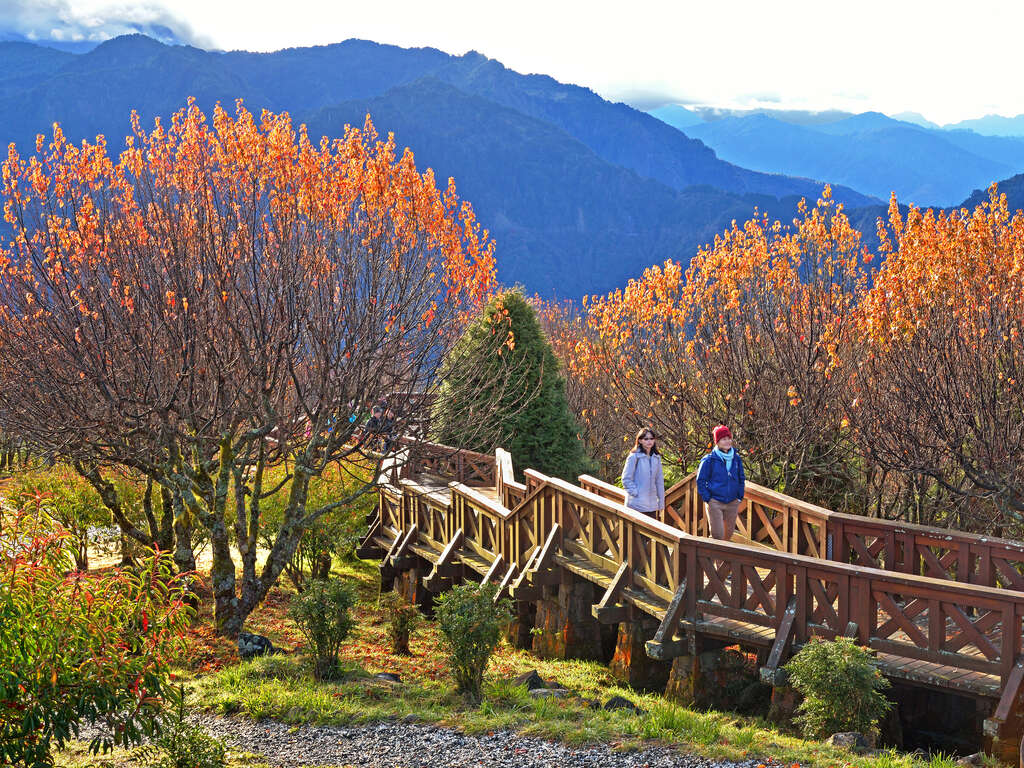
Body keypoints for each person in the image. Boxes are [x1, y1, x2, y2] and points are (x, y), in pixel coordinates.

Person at [696, 425, 745, 541]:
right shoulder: (709, 460)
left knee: (728, 535)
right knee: (717, 535)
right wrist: (708, 498)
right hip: (715, 501)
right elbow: (700, 480)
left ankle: (722, 560)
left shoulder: (736, 459)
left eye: (729, 438)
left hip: (732, 501)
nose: (727, 441)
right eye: (723, 439)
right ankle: (715, 559)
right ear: (717, 442)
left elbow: (741, 478)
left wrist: (739, 496)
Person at [621, 427, 665, 517]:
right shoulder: (634, 456)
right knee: (635, 531)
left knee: (651, 531)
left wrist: (661, 503)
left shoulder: (656, 457)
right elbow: (626, 479)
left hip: (652, 506)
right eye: (646, 439)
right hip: (636, 506)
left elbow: (659, 481)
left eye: (651, 438)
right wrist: (636, 493)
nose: (649, 441)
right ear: (640, 440)